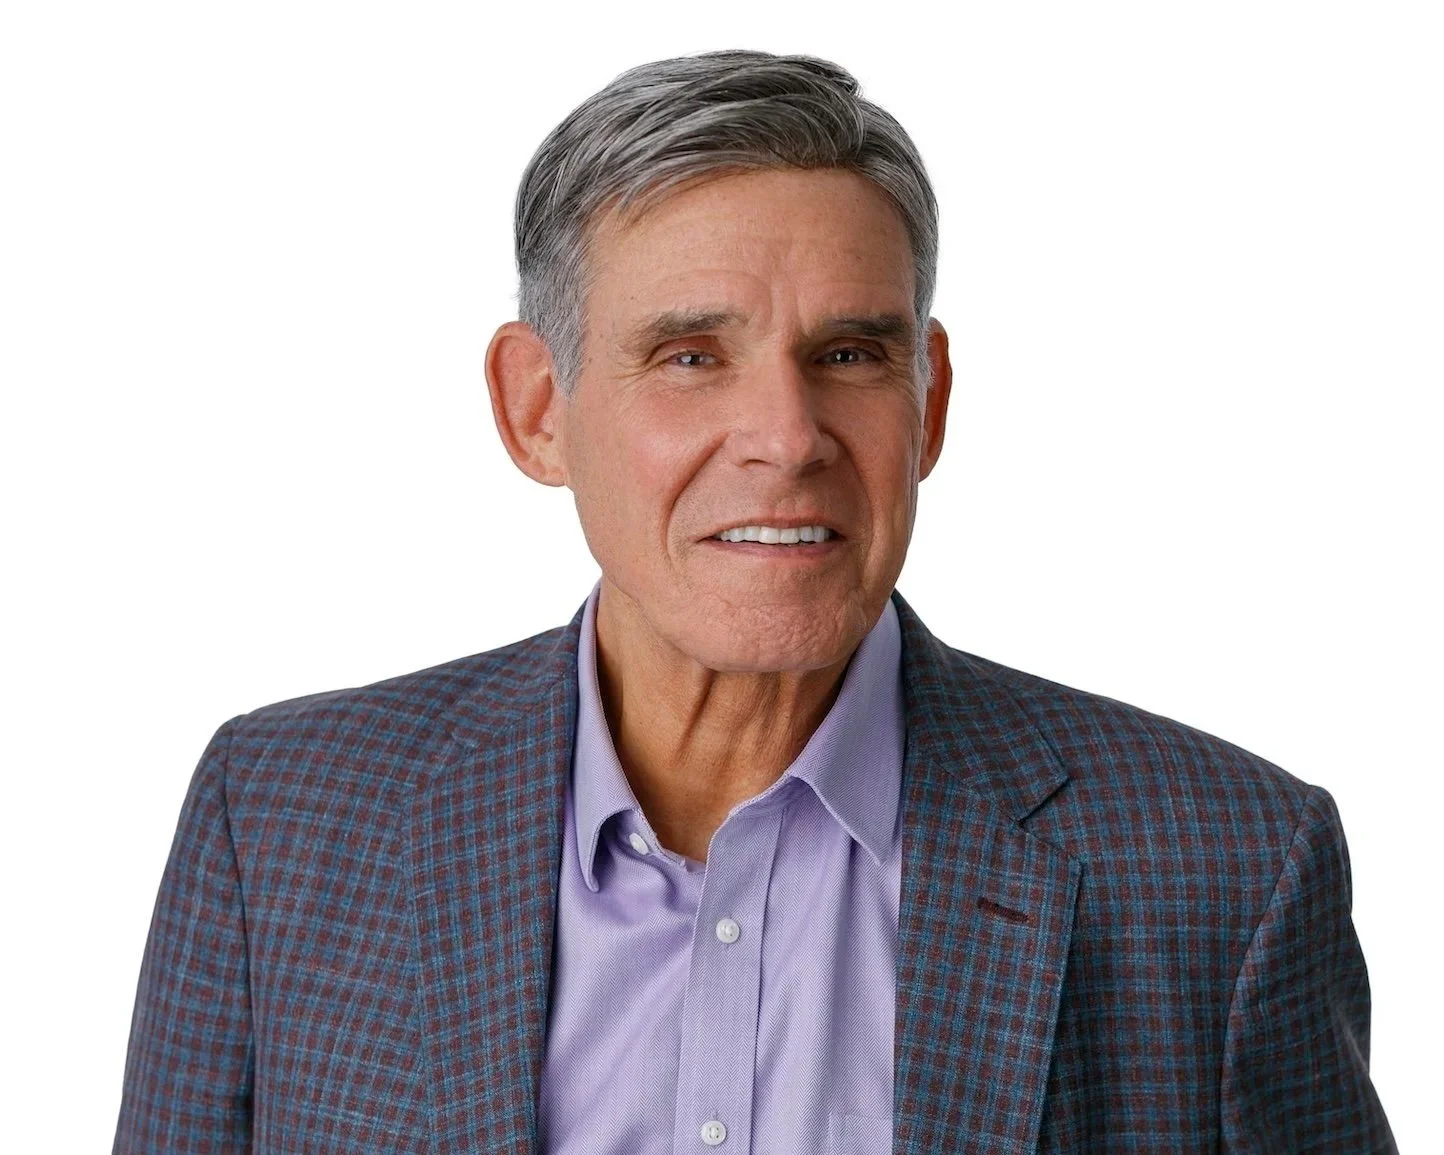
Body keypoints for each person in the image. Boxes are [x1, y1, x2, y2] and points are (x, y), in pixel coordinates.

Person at [112, 49, 1396, 1154]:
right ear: (536, 408)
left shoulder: (1224, 868)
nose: (785, 437)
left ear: (929, 401)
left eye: (848, 355)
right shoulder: (277, 819)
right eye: (689, 357)